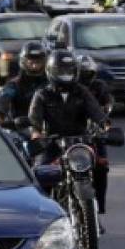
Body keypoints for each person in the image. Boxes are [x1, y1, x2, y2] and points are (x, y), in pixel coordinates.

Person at [29, 50, 109, 212]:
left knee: (101, 166)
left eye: (69, 71)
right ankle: (42, 211)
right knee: (40, 171)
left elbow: (96, 112)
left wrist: (105, 125)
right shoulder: (42, 94)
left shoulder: (82, 91)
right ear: (51, 72)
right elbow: (34, 119)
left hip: (80, 142)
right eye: (61, 72)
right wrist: (36, 132)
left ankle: (97, 207)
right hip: (53, 142)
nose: (66, 75)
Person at [77, 57, 113, 214]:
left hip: (93, 131)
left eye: (88, 73)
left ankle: (100, 204)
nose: (85, 76)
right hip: (72, 131)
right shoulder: (70, 88)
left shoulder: (99, 86)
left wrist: (106, 113)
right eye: (81, 73)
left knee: (102, 166)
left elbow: (106, 102)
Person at [0, 42, 48, 122]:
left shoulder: (50, 84)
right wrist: (0, 115)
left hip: (47, 129)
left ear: (44, 62)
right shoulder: (14, 84)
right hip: (21, 128)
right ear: (23, 62)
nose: (34, 66)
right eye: (31, 63)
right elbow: (4, 99)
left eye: (38, 62)